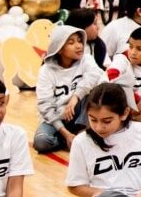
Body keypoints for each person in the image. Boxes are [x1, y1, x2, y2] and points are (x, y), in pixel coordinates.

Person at [33, 25, 98, 154]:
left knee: (96, 90)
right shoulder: (46, 71)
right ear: (59, 48)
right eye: (71, 42)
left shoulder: (86, 60)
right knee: (41, 142)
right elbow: (45, 105)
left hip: (80, 113)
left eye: (80, 41)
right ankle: (68, 139)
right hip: (56, 119)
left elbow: (96, 76)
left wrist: (76, 96)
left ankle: (82, 132)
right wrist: (65, 133)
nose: (79, 46)